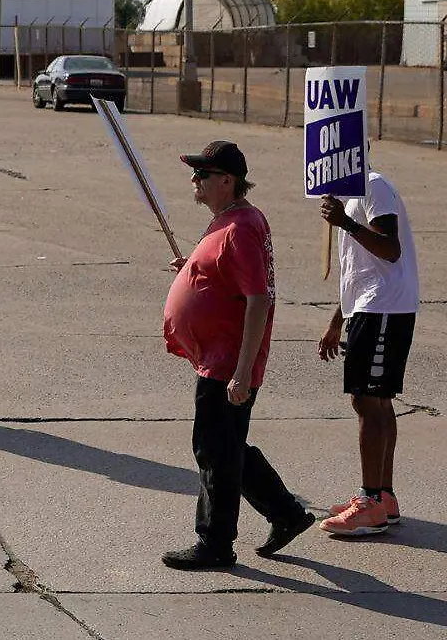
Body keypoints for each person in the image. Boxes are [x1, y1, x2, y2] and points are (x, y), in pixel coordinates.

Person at [160, 141, 315, 570]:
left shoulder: (241, 226)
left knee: (214, 450)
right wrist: (192, 268)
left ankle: (215, 543)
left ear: (227, 181)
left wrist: (242, 372)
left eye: (203, 174)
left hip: (228, 361)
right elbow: (225, 272)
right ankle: (286, 513)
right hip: (219, 356)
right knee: (227, 447)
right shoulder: (228, 220)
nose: (195, 181)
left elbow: (258, 299)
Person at [315, 166, 419, 536]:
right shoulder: (346, 196)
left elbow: (390, 249)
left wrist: (346, 223)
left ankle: (371, 501)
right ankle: (384, 497)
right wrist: (337, 320)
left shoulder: (373, 186)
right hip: (368, 306)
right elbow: (357, 269)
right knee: (378, 400)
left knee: (367, 401)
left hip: (385, 307)